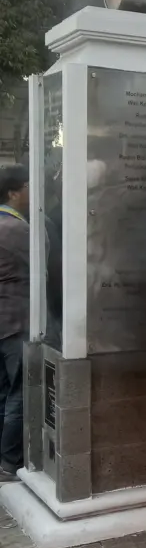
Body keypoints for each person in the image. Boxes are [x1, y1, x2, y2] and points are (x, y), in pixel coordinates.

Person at [0, 165, 27, 482]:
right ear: (13, 192)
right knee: (19, 393)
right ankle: (10, 463)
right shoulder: (19, 231)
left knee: (3, 392)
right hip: (17, 323)